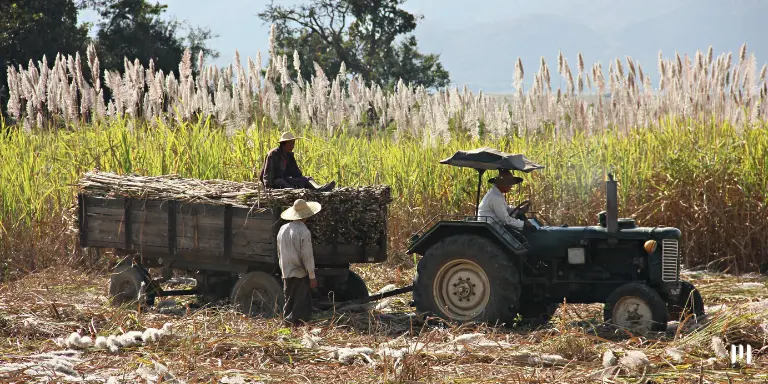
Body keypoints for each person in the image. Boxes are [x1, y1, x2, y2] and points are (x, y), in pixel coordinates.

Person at [277, 198, 322, 326]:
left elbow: (279, 251)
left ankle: (287, 325)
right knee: (299, 303)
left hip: (286, 270)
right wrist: (312, 276)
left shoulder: (283, 229)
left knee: (289, 301)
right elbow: (307, 256)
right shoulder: (304, 231)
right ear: (306, 215)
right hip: (299, 272)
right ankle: (294, 327)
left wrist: (282, 269)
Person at [259, 132, 336, 191]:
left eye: (293, 144)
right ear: (284, 144)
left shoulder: (289, 155)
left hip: (285, 180)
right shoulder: (273, 154)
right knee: (280, 181)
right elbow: (267, 175)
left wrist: (301, 180)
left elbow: (296, 173)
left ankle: (319, 188)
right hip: (275, 182)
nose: (293, 146)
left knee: (306, 178)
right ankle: (295, 191)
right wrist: (268, 187)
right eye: (291, 144)